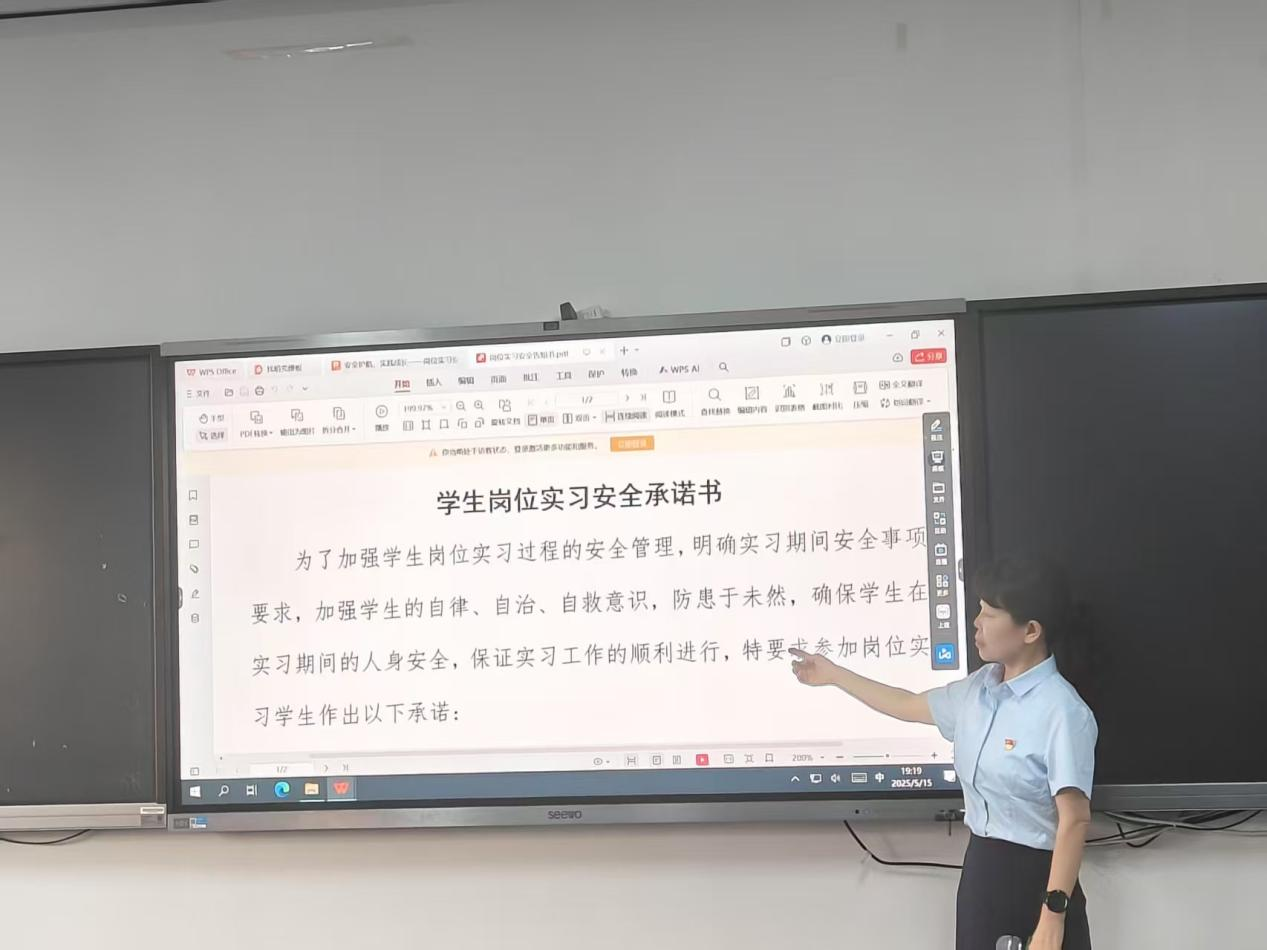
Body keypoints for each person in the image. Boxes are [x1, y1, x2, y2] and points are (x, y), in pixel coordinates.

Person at [790, 555, 1096, 950]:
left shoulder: (1063, 711)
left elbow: (1074, 819)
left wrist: (1053, 915)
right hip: (981, 872)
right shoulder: (978, 690)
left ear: (1031, 630)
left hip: (1040, 878)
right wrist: (834, 675)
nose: (976, 622)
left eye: (989, 614)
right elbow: (906, 704)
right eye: (979, 610)